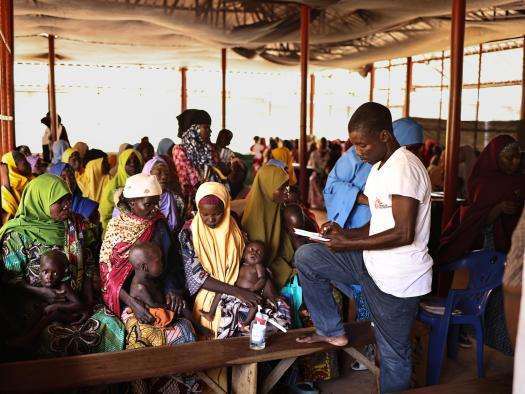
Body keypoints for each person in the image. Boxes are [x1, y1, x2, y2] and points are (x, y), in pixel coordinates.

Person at [294, 102, 433, 393]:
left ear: (384, 135)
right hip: (372, 264)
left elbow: (404, 232)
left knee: (394, 355)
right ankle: (332, 331)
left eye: (362, 145)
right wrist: (345, 233)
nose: (358, 152)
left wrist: (351, 242)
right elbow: (380, 224)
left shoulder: (404, 167)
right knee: (308, 256)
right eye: (354, 145)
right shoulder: (380, 166)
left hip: (398, 280)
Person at [0, 174, 124, 359]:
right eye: (60, 202)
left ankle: (107, 383)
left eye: (68, 200)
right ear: (41, 200)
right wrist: (42, 293)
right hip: (34, 305)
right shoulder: (18, 234)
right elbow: (9, 279)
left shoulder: (78, 224)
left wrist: (87, 302)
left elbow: (89, 262)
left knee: (111, 324)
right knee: (55, 339)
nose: (68, 206)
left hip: (78, 298)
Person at [100, 173, 194, 348]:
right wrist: (132, 302)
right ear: (131, 203)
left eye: (156, 202)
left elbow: (172, 263)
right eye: (148, 204)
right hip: (127, 296)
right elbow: (108, 277)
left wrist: (172, 290)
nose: (155, 209)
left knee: (184, 320)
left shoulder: (159, 224)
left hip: (159, 290)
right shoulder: (116, 228)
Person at [439, 135, 524, 266]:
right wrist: (499, 208)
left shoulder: (519, 180)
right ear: (495, 157)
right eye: (509, 158)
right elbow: (476, 219)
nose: (515, 162)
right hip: (490, 246)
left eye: (518, 157)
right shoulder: (484, 183)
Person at [8, 250, 83, 347]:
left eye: (55, 273)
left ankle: (28, 338)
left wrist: (56, 306)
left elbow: (79, 304)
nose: (49, 277)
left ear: (63, 274)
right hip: (51, 311)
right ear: (39, 271)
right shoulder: (40, 286)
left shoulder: (64, 287)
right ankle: (24, 332)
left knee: (49, 316)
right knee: (39, 309)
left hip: (69, 315)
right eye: (45, 272)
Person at [241, 163, 295, 289]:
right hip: (258, 275)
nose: (287, 192)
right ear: (267, 187)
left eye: (287, 188)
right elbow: (254, 260)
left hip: (275, 264)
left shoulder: (278, 209)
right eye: (281, 188)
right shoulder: (254, 217)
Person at [201, 240, 276, 327]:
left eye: (258, 252)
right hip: (236, 291)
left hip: (251, 292)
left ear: (263, 258)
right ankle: (211, 313)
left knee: (256, 303)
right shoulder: (240, 264)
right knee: (220, 292)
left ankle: (246, 322)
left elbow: (262, 279)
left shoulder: (258, 266)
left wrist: (253, 289)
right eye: (251, 250)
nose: (254, 253)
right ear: (244, 254)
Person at [172, 109, 216, 197]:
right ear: (193, 130)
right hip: (191, 198)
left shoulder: (208, 149)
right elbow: (190, 181)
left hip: (211, 194)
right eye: (205, 127)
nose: (210, 131)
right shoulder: (179, 150)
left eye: (209, 128)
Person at [98, 148, 142, 229]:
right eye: (128, 162)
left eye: (136, 161)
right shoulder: (113, 186)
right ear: (122, 165)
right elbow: (105, 214)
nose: (133, 164)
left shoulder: (145, 182)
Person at [1, 151, 31, 224]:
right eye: (24, 163)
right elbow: (11, 214)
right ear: (13, 167)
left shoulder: (30, 179)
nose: (29, 164)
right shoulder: (11, 188)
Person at [308, 137, 330, 209]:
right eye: (321, 143)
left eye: (324, 143)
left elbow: (327, 165)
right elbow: (311, 165)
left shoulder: (329, 153)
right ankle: (315, 203)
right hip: (316, 173)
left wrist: (324, 172)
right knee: (312, 180)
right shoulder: (314, 153)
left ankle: (324, 202)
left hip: (325, 173)